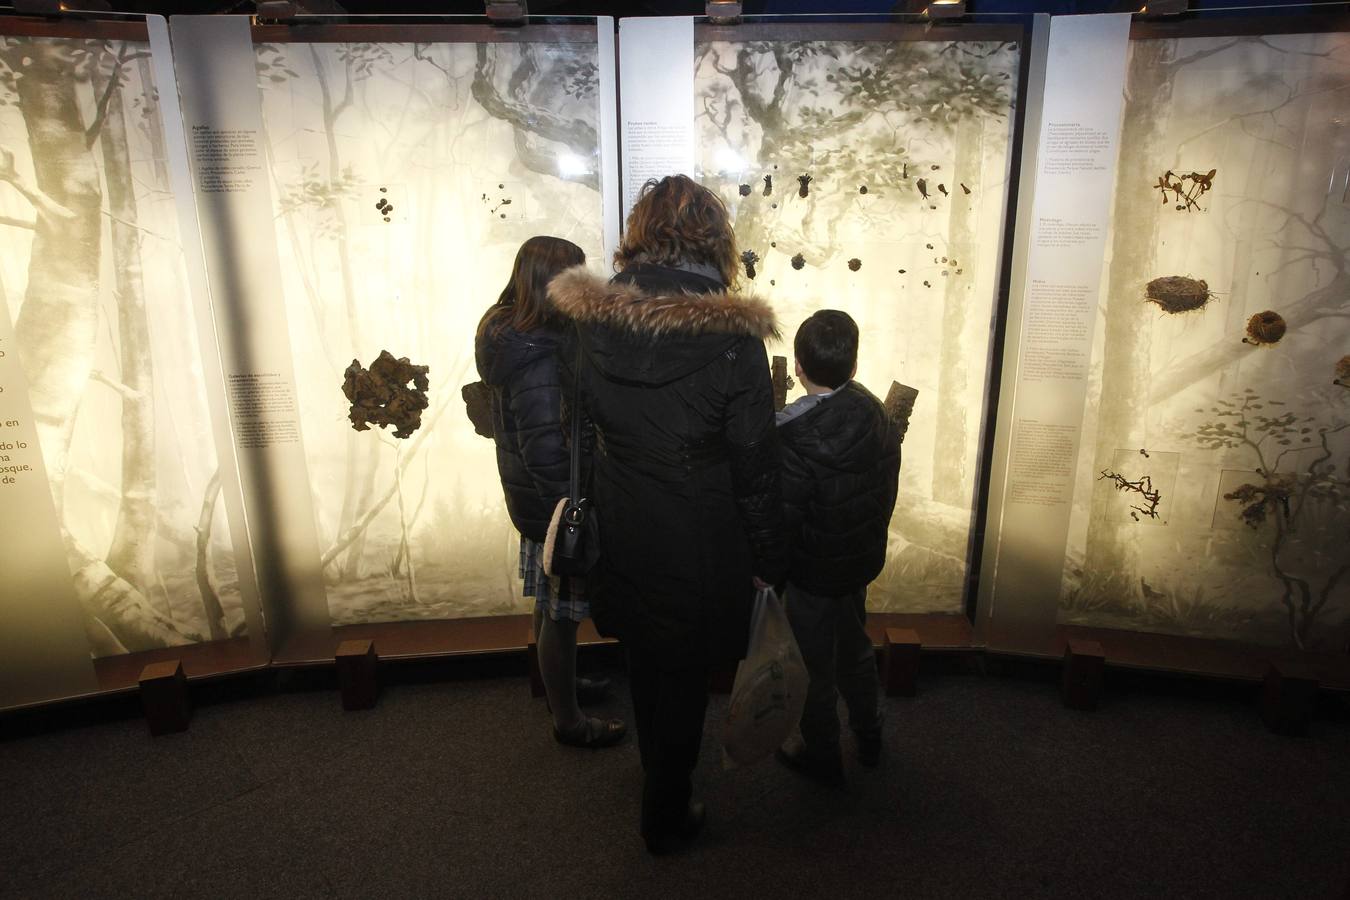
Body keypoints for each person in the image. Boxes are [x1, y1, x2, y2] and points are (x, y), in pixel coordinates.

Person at [547, 175, 784, 853]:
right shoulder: (735, 340)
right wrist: (771, 557)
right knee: (680, 672)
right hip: (700, 534)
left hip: (624, 525)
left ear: (641, 235)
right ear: (714, 239)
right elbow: (755, 463)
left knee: (649, 662)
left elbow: (580, 430)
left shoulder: (591, 325)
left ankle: (661, 776)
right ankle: (666, 811)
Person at [476, 235, 626, 749]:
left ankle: (561, 681)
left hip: (538, 506)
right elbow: (545, 448)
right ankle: (569, 721)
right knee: (560, 616)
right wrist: (571, 514)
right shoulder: (538, 353)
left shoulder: (513, 335)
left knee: (548, 607)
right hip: (555, 509)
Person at [773, 310, 901, 785]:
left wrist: (769, 568)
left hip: (812, 573)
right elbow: (885, 491)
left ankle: (823, 754)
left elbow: (785, 518)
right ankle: (870, 734)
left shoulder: (791, 435)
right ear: (853, 365)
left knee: (812, 668)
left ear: (800, 368)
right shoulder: (874, 412)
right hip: (856, 563)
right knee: (855, 651)